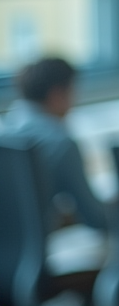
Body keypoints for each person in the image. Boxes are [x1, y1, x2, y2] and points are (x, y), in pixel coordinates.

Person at [2, 57, 110, 232]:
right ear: (57, 94)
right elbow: (96, 218)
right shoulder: (61, 144)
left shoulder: (5, 134)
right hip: (34, 252)